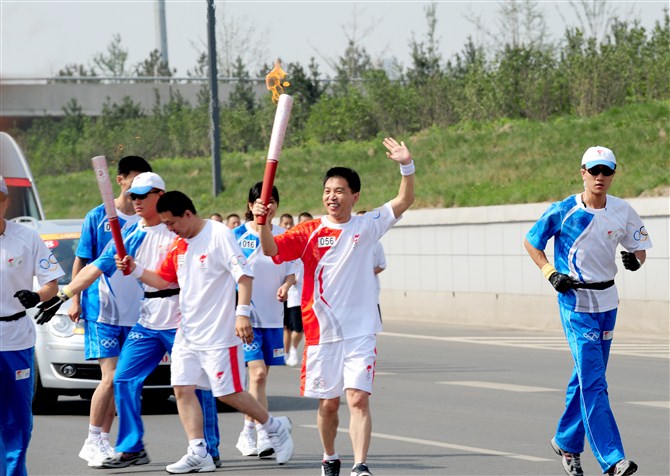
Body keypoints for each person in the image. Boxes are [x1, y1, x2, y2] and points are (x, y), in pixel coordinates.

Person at [35, 173, 222, 468]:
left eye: (143, 195)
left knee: (196, 384)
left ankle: (208, 448)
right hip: (148, 319)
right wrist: (63, 295)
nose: (136, 201)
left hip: (183, 319)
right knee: (122, 378)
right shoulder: (131, 236)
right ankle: (132, 447)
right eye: (133, 195)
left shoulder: (180, 230)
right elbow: (95, 267)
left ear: (160, 195)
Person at [252, 137, 415, 476]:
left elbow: (404, 200)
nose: (332, 196)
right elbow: (270, 250)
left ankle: (360, 465)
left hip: (360, 331)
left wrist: (406, 166)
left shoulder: (367, 225)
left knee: (357, 398)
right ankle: (329, 456)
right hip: (321, 332)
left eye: (339, 191)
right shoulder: (309, 231)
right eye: (327, 191)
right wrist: (263, 223)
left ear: (355, 196)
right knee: (328, 405)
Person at [117, 191, 294, 472]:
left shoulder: (218, 235)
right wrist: (135, 268)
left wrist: (242, 313)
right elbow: (162, 281)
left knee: (228, 393)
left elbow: (244, 276)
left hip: (219, 335)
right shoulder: (180, 244)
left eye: (171, 222)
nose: (169, 229)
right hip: (188, 333)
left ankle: (274, 426)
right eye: (165, 224)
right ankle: (199, 451)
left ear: (188, 214)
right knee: (182, 388)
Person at [524, 146, 651, 476]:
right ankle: (613, 459)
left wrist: (635, 261)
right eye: (594, 170)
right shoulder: (564, 210)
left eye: (606, 171)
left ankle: (566, 441)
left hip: (608, 301)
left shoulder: (622, 210)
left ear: (613, 174)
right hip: (575, 302)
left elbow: (639, 249)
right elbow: (532, 242)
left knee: (587, 378)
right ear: (583, 173)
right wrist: (550, 273)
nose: (600, 177)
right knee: (595, 382)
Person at [67, 155, 151, 467]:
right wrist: (74, 299)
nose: (139, 186)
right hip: (101, 309)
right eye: (134, 179)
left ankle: (104, 439)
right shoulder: (98, 216)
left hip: (136, 311)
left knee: (123, 380)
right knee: (111, 375)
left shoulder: (147, 221)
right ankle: (91, 440)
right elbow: (83, 259)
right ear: (120, 180)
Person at [0, 176, 64, 476]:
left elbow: (52, 283)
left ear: (5, 201)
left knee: (17, 419)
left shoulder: (27, 237)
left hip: (16, 339)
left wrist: (36, 296)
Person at [232, 183, 296, 458]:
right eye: (260, 201)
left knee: (260, 380)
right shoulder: (236, 236)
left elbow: (291, 269)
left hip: (272, 318)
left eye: (272, 201)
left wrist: (287, 285)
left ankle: (247, 432)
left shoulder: (284, 235)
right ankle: (262, 432)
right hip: (246, 318)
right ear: (250, 205)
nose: (267, 206)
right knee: (256, 374)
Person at [282, 211, 313, 366]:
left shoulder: (315, 243)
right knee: (289, 327)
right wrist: (288, 281)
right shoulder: (292, 243)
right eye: (303, 222)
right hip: (292, 294)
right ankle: (287, 352)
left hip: (310, 294)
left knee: (300, 328)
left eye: (309, 222)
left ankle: (293, 350)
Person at [356, 211, 387, 318]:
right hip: (352, 293)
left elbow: (382, 265)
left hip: (371, 291)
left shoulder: (377, 244)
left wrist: (366, 273)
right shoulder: (349, 242)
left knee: (373, 323)